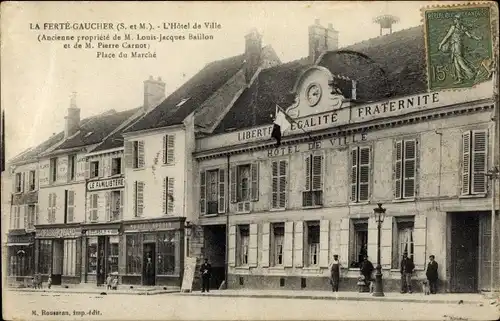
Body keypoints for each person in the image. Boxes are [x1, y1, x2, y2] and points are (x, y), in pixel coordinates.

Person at [438, 14, 483, 84]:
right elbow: (470, 36)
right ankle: (460, 79)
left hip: (456, 46)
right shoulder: (463, 27)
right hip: (459, 46)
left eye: (455, 19)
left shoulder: (453, 27)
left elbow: (447, 36)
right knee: (456, 62)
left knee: (460, 61)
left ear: (458, 20)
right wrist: (477, 38)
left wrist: (441, 44)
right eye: (454, 19)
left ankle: (471, 74)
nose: (454, 20)